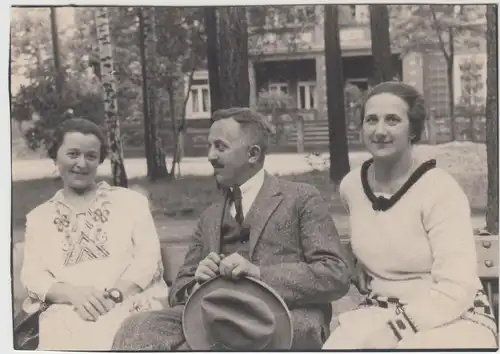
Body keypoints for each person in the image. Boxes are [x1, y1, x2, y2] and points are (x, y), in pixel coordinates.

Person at [112, 107, 352, 350]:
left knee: (239, 340)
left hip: (285, 314)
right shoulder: (210, 216)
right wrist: (198, 282)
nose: (210, 156)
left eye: (220, 147)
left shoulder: (300, 198)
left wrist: (259, 274)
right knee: (136, 329)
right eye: (209, 146)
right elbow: (179, 288)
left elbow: (335, 273)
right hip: (217, 314)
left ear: (253, 154)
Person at [322, 81, 498, 350]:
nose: (380, 131)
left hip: (451, 315)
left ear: (414, 130)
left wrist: (395, 333)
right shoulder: (351, 186)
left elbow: (457, 287)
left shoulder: (440, 190)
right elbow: (382, 230)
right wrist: (354, 257)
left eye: (393, 120)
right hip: (379, 310)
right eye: (371, 120)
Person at [20, 118, 168, 351]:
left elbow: (147, 259)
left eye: (90, 156)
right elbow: (33, 275)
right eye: (73, 154)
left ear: (99, 160)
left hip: (127, 302)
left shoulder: (130, 202)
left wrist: (115, 295)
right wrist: (73, 294)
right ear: (55, 157)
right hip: (68, 308)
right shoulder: (39, 218)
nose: (82, 163)